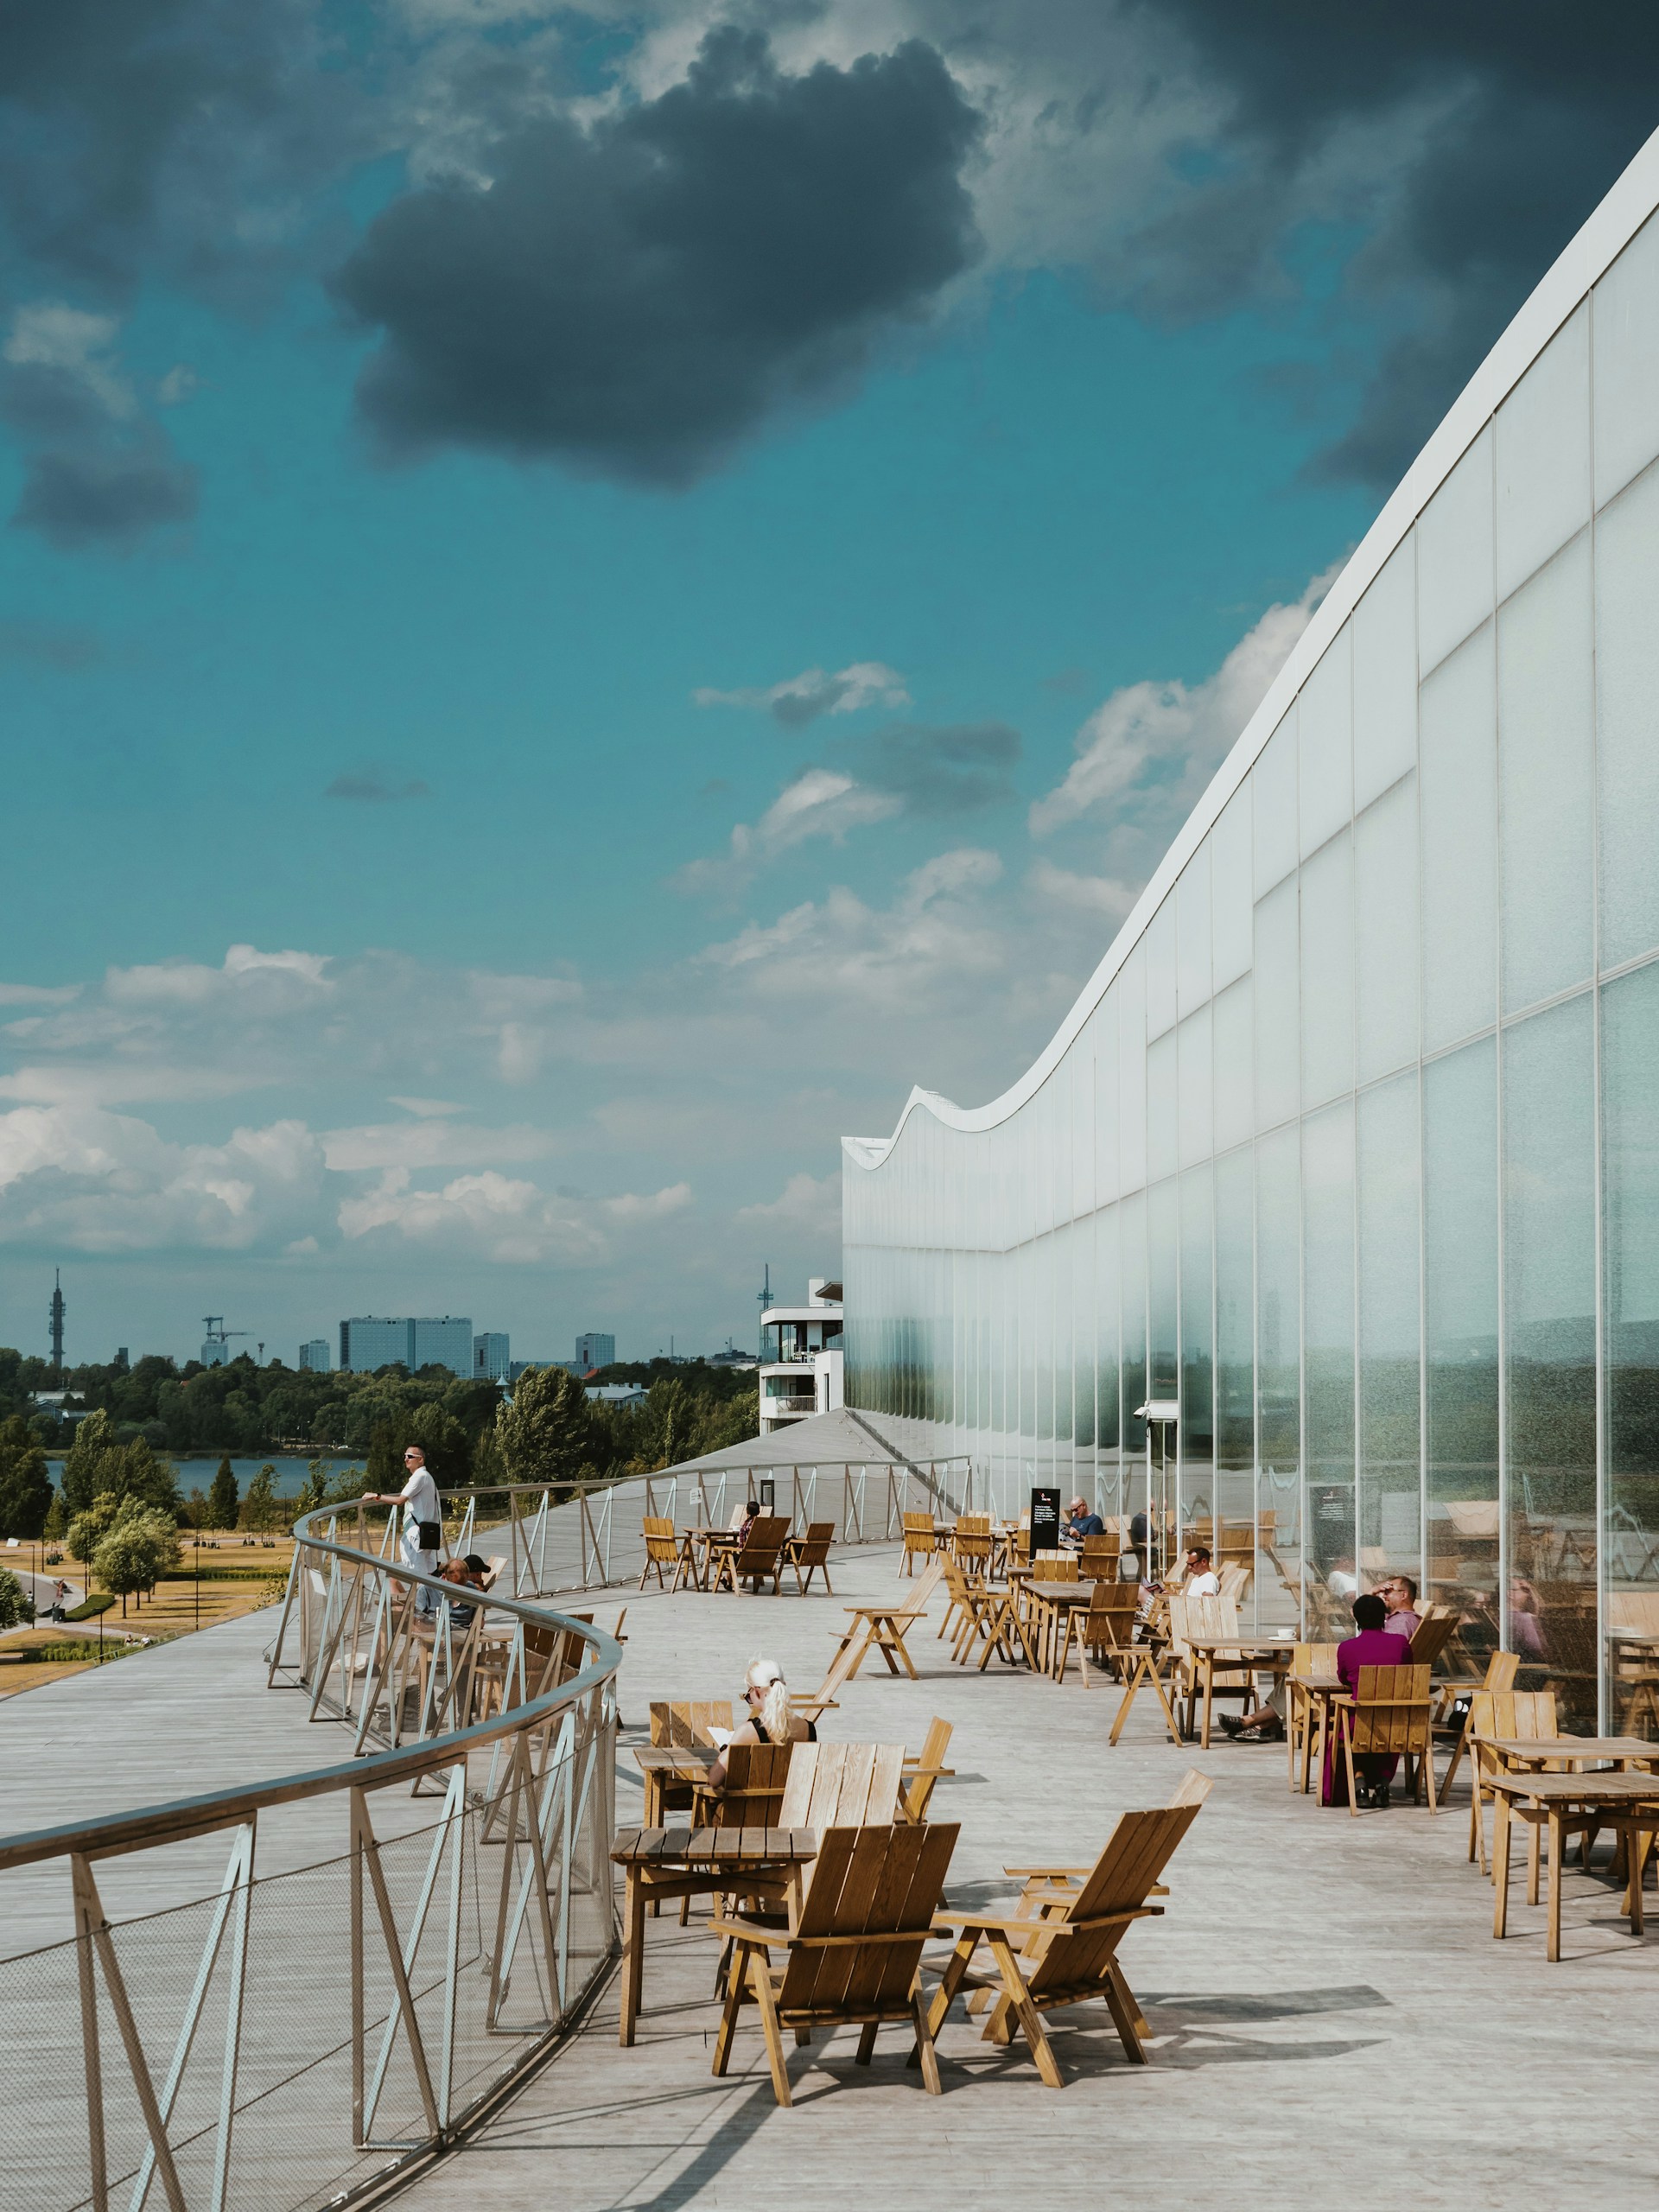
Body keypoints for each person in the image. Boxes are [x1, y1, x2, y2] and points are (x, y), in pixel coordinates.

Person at [1324, 1592, 1415, 1808]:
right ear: (1384, 1617)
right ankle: (1383, 1783)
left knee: (1349, 1734)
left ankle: (1359, 1781)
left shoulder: (1347, 1648)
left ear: (1356, 1619)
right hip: (1396, 1722)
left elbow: (1344, 1678)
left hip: (1361, 1721)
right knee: (1386, 1729)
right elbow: (1409, 1672)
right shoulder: (1400, 1643)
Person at [705, 1658, 817, 1791]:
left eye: (748, 1695)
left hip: (748, 1810)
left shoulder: (749, 1731)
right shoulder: (807, 1728)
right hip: (792, 1808)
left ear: (756, 1692)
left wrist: (726, 1749)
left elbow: (714, 1780)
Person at [363, 1445, 443, 1617]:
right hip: (427, 1535)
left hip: (416, 1537)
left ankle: (419, 1617)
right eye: (404, 1456)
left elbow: (400, 1500)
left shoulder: (419, 1477)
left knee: (417, 1578)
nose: (406, 1459)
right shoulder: (427, 1477)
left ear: (420, 1459)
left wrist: (376, 1496)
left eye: (410, 1456)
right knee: (426, 1577)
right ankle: (425, 1612)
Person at [438, 1554, 490, 1631]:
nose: (458, 1591)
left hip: (464, 1636)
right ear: (444, 1578)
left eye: (462, 1586)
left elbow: (480, 1622)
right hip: (437, 1634)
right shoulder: (428, 1590)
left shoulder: (472, 1590)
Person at [1380, 1573, 1421, 1641]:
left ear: (1404, 1595)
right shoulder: (1406, 1619)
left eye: (1388, 1592)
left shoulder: (1401, 1622)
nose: (1384, 1596)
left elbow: (1387, 1650)